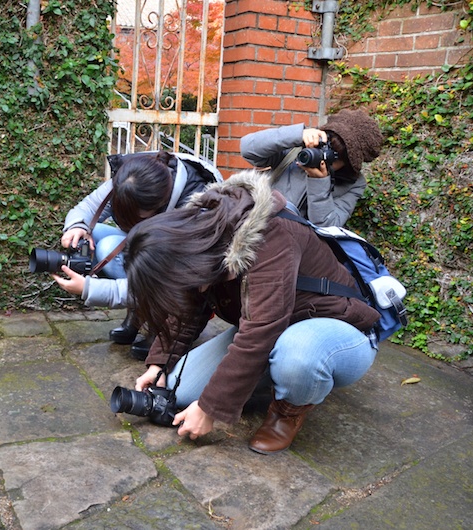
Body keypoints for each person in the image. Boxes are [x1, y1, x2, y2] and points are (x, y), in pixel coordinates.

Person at [122, 169, 381, 453]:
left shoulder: (271, 237)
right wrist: (159, 363)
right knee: (178, 389)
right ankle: (271, 370)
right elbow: (190, 305)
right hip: (272, 321)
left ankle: (287, 410)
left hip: (334, 328)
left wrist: (210, 409)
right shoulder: (196, 239)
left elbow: (260, 332)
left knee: (297, 355)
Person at [53, 151, 222, 355]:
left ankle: (164, 325)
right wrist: (76, 227)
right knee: (94, 234)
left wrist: (91, 289)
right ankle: (138, 313)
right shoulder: (134, 175)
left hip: (183, 277)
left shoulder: (195, 206)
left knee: (113, 250)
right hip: (152, 248)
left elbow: (172, 282)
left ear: (158, 205)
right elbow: (89, 206)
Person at [240, 109, 383, 227]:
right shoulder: (295, 150)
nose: (323, 156)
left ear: (349, 162)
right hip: (251, 228)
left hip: (290, 247)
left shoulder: (354, 184)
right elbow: (247, 149)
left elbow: (328, 226)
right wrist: (297, 134)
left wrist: (319, 182)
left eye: (335, 156)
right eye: (326, 145)